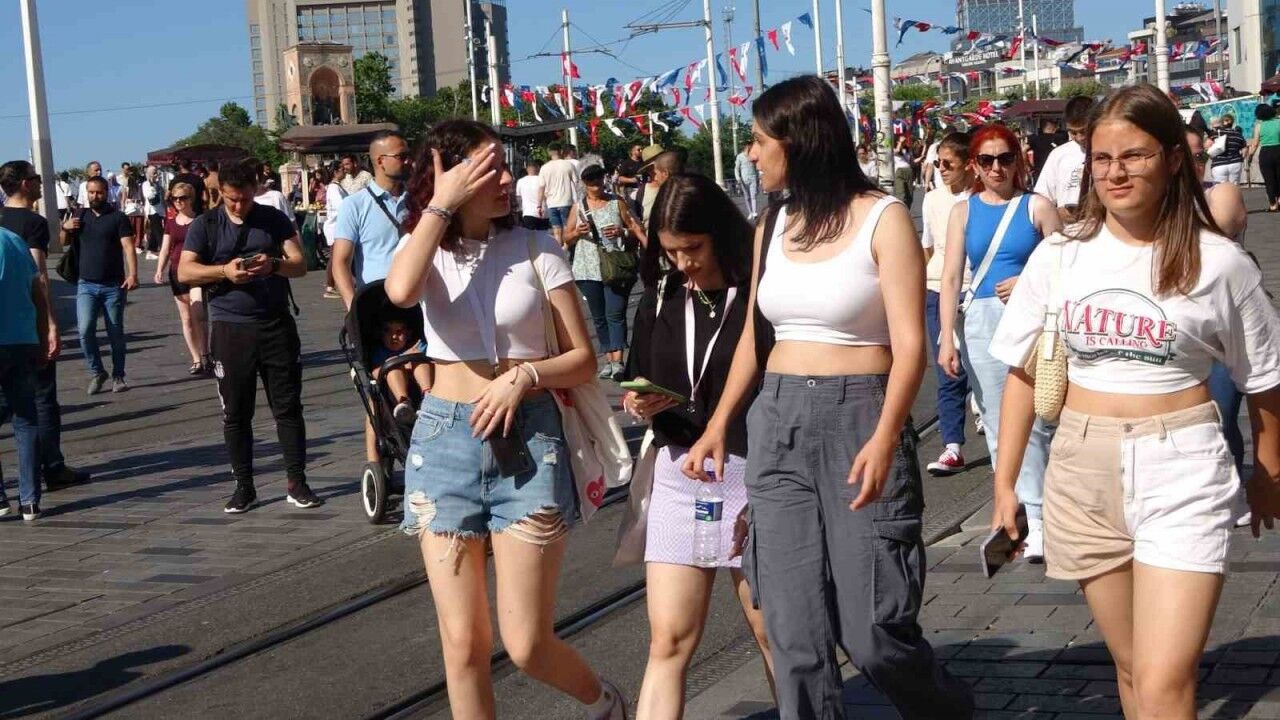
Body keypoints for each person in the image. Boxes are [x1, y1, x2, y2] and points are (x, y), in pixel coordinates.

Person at [685, 75, 973, 719]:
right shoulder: (770, 225)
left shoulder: (883, 218)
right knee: (793, 631)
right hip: (778, 422)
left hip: (860, 416)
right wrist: (719, 423)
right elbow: (754, 338)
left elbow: (910, 347)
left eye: (759, 141)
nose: (751, 154)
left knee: (872, 631)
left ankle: (945, 708)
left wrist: (885, 435)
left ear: (800, 141)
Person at [988, 83, 1280, 718]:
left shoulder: (1219, 262)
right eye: (1103, 158)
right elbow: (1021, 373)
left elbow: (1264, 378)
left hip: (1183, 465)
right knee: (1130, 668)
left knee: (1164, 678)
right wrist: (1005, 484)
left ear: (1173, 158)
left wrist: (1267, 472)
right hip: (1081, 467)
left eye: (1134, 156)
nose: (1115, 172)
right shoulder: (1060, 256)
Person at [384, 118, 627, 719]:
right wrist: (440, 207)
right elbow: (400, 291)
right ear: (451, 174)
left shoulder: (536, 246)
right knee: (463, 643)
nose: (506, 180)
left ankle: (605, 703)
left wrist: (526, 376)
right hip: (444, 441)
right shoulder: (426, 246)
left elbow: (584, 359)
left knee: (526, 644)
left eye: (505, 167)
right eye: (488, 169)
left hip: (531, 439)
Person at [623, 173, 775, 716]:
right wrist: (639, 401)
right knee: (667, 641)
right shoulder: (661, 295)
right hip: (679, 472)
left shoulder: (758, 293)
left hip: (750, 472)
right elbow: (638, 373)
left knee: (772, 633)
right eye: (671, 252)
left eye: (693, 248)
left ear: (719, 234)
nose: (683, 263)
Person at [938, 125, 1060, 562]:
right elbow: (951, 276)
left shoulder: (1037, 206)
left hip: (1029, 320)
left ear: (1018, 161)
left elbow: (1066, 265)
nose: (996, 168)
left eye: (1005, 158)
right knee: (995, 421)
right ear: (974, 165)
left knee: (1034, 421)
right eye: (986, 160)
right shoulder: (963, 211)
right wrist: (946, 337)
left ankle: (1042, 518)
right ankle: (1014, 510)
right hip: (981, 320)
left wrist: (1027, 280)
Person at [177, 159, 318, 514]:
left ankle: (297, 482)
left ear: (255, 190)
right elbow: (185, 270)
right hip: (230, 327)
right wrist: (223, 271)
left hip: (275, 324)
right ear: (220, 192)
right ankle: (244, 486)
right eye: (231, 199)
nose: (238, 206)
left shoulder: (273, 219)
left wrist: (274, 265)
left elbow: (301, 264)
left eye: (244, 198)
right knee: (236, 413)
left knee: (288, 408)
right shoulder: (206, 224)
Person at [0, 161, 90, 492]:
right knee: (42, 398)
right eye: (37, 179)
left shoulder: (0, 219)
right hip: (26, 326)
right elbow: (39, 276)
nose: (41, 185)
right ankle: (52, 467)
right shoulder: (33, 223)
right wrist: (50, 324)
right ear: (25, 183)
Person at [332, 129, 413, 464]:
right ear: (380, 161)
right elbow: (340, 262)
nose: (408, 161)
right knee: (375, 386)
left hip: (417, 305)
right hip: (375, 306)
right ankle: (375, 464)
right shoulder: (356, 205)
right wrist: (353, 307)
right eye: (401, 156)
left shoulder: (418, 201)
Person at [1189, 124, 1253, 525]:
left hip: (1224, 324)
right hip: (1180, 328)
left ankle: (1234, 487)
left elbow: (1223, 226)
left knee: (1223, 412)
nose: (1195, 164)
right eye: (1185, 156)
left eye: (1200, 156)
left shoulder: (1220, 192)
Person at [920, 132, 975, 476]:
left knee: (983, 367)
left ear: (968, 164)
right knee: (948, 369)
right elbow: (927, 246)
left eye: (948, 163)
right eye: (938, 163)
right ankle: (952, 445)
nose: (941, 169)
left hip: (977, 289)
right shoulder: (931, 200)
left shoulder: (980, 198)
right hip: (938, 289)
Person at [563, 165, 647, 380]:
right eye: (591, 183)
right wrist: (577, 232)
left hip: (615, 266)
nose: (596, 187)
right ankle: (609, 359)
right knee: (599, 317)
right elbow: (566, 237)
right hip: (587, 268)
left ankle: (618, 361)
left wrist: (622, 231)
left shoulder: (617, 202)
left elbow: (635, 228)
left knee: (615, 313)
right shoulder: (578, 207)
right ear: (585, 184)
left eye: (599, 182)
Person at [63, 176, 136, 395]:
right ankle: (97, 371)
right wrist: (65, 227)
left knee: (115, 333)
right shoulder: (80, 215)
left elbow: (128, 246)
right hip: (86, 284)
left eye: (100, 192)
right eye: (92, 192)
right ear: (87, 192)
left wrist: (133, 274)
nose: (95, 196)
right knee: (85, 330)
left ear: (107, 193)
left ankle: (118, 375)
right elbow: (63, 241)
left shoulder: (118, 217)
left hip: (113, 285)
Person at [0, 224, 52, 521]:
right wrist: (43, 339)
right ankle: (30, 501)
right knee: (26, 419)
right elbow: (38, 294)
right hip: (22, 341)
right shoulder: (16, 242)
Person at [154, 181, 209, 376]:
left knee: (199, 314)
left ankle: (206, 353)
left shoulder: (200, 221)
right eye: (175, 199)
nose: (178, 202)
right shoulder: (170, 223)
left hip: (196, 272)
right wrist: (159, 270)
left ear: (190, 199)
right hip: (176, 272)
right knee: (186, 318)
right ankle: (196, 358)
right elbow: (165, 249)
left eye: (182, 198)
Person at [1034, 95, 1094, 224]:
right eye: (1073, 132)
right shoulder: (1058, 155)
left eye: (1084, 131)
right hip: (1067, 231)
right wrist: (1056, 213)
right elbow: (1041, 198)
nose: (1079, 138)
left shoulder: (1109, 152)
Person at [372, 318, 433, 424]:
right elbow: (375, 373)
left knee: (420, 360)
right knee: (392, 365)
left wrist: (412, 358)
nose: (394, 336)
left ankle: (428, 397)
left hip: (422, 381)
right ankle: (404, 403)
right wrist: (401, 360)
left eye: (399, 331)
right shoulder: (380, 352)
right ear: (381, 334)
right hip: (394, 389)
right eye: (388, 331)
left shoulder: (417, 345)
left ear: (408, 334)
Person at [538, 142, 578, 247]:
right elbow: (576, 183)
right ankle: (568, 251)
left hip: (551, 203)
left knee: (556, 231)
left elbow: (541, 187)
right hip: (566, 202)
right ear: (561, 151)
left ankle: (560, 252)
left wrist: (539, 205)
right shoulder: (568, 165)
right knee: (567, 229)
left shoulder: (544, 168)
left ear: (549, 153)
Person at [322, 163, 349, 299]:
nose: (345, 171)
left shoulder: (337, 187)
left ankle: (334, 283)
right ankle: (330, 285)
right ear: (336, 172)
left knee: (336, 256)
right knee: (334, 257)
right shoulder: (334, 188)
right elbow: (341, 205)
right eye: (342, 169)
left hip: (338, 226)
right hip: (335, 227)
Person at [641, 148, 685, 228]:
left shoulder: (688, 192)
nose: (654, 175)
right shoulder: (640, 193)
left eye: (655, 168)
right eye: (649, 169)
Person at [1249, 102, 1280, 211]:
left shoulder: (1259, 126)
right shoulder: (1279, 122)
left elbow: (1255, 144)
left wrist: (1250, 156)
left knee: (1269, 180)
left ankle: (1273, 205)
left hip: (1266, 153)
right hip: (1278, 149)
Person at [1209, 112, 1247, 185]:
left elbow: (1208, 146)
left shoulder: (1215, 134)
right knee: (1234, 188)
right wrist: (1241, 158)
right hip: (1235, 164)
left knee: (1220, 188)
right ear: (1232, 123)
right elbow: (1244, 149)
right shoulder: (1238, 134)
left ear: (1222, 123)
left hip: (1219, 164)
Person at [515, 160, 549, 230]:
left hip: (528, 213)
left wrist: (519, 211)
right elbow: (547, 195)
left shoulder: (520, 181)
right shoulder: (543, 180)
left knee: (529, 236)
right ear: (538, 168)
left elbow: (518, 198)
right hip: (543, 213)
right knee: (543, 235)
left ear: (527, 169)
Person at [142, 166, 166, 258]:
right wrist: (152, 185)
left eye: (156, 172)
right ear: (149, 174)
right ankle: (163, 249)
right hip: (152, 211)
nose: (156, 175)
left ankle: (151, 250)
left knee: (154, 231)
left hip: (159, 210)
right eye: (154, 173)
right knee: (158, 231)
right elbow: (149, 196)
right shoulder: (146, 184)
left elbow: (162, 198)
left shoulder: (158, 184)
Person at [615, 143, 645, 214]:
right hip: (631, 190)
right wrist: (632, 180)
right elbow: (620, 178)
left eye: (642, 149)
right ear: (633, 151)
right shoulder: (626, 163)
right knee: (634, 210)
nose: (641, 151)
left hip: (643, 188)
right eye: (639, 149)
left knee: (643, 209)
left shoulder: (643, 162)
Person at [734, 144, 760, 220]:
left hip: (753, 178)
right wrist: (738, 178)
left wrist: (758, 177)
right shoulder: (740, 156)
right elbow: (736, 168)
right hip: (744, 180)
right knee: (747, 197)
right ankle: (750, 212)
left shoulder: (753, 156)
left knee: (753, 196)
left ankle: (754, 212)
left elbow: (757, 167)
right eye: (749, 147)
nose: (750, 149)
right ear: (745, 148)